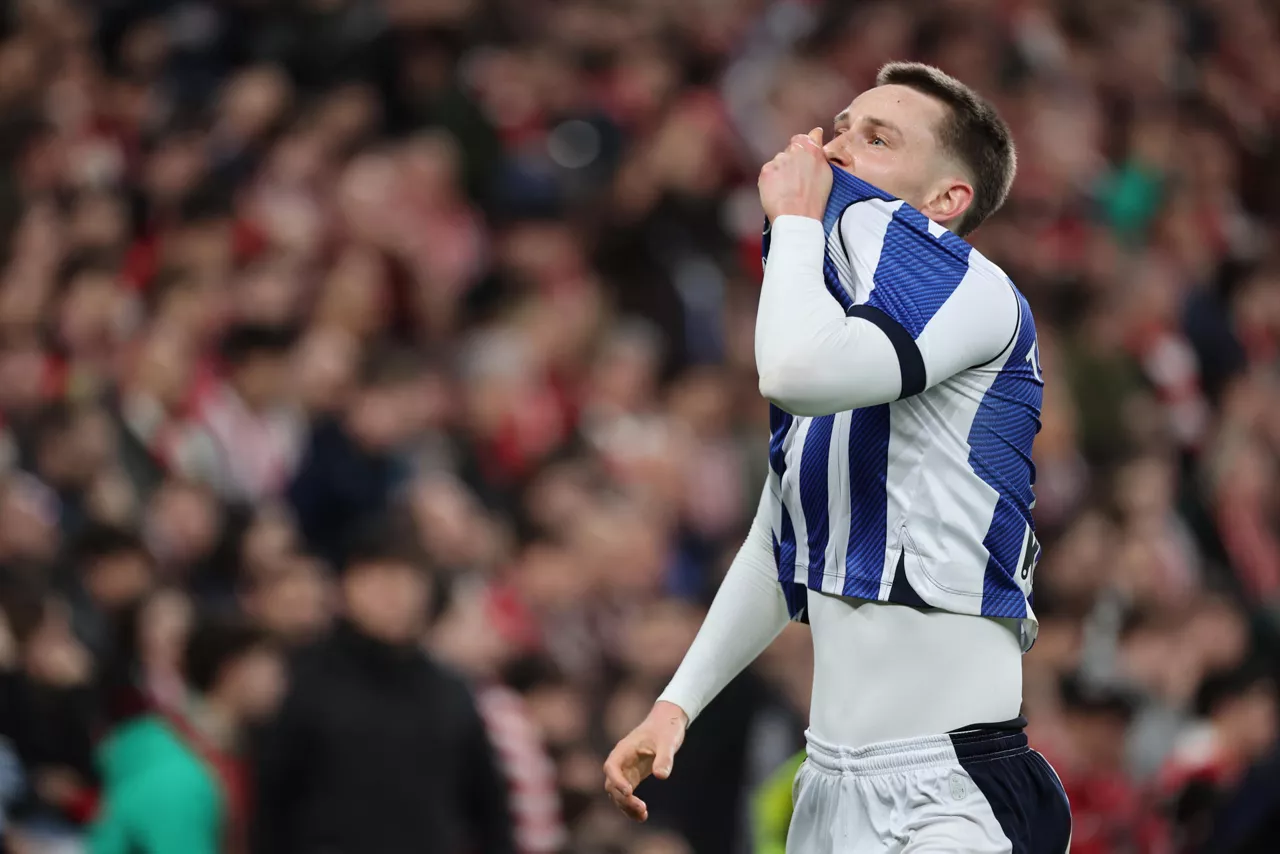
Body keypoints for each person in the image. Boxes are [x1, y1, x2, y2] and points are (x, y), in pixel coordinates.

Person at [605, 62, 1072, 853]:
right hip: (826, 788)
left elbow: (789, 373)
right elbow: (776, 549)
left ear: (946, 200)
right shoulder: (826, 329)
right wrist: (676, 703)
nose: (835, 148)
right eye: (842, 126)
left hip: (953, 789)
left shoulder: (979, 292)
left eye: (878, 138)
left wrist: (792, 222)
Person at [251, 519, 515, 854]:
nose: (395, 593)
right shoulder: (306, 684)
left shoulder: (451, 692)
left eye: (408, 578)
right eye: (380, 578)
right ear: (347, 587)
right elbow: (273, 807)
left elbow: (489, 810)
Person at [88, 615, 285, 854]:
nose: (281, 684)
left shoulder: (230, 751)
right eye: (269, 669)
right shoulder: (177, 768)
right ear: (231, 671)